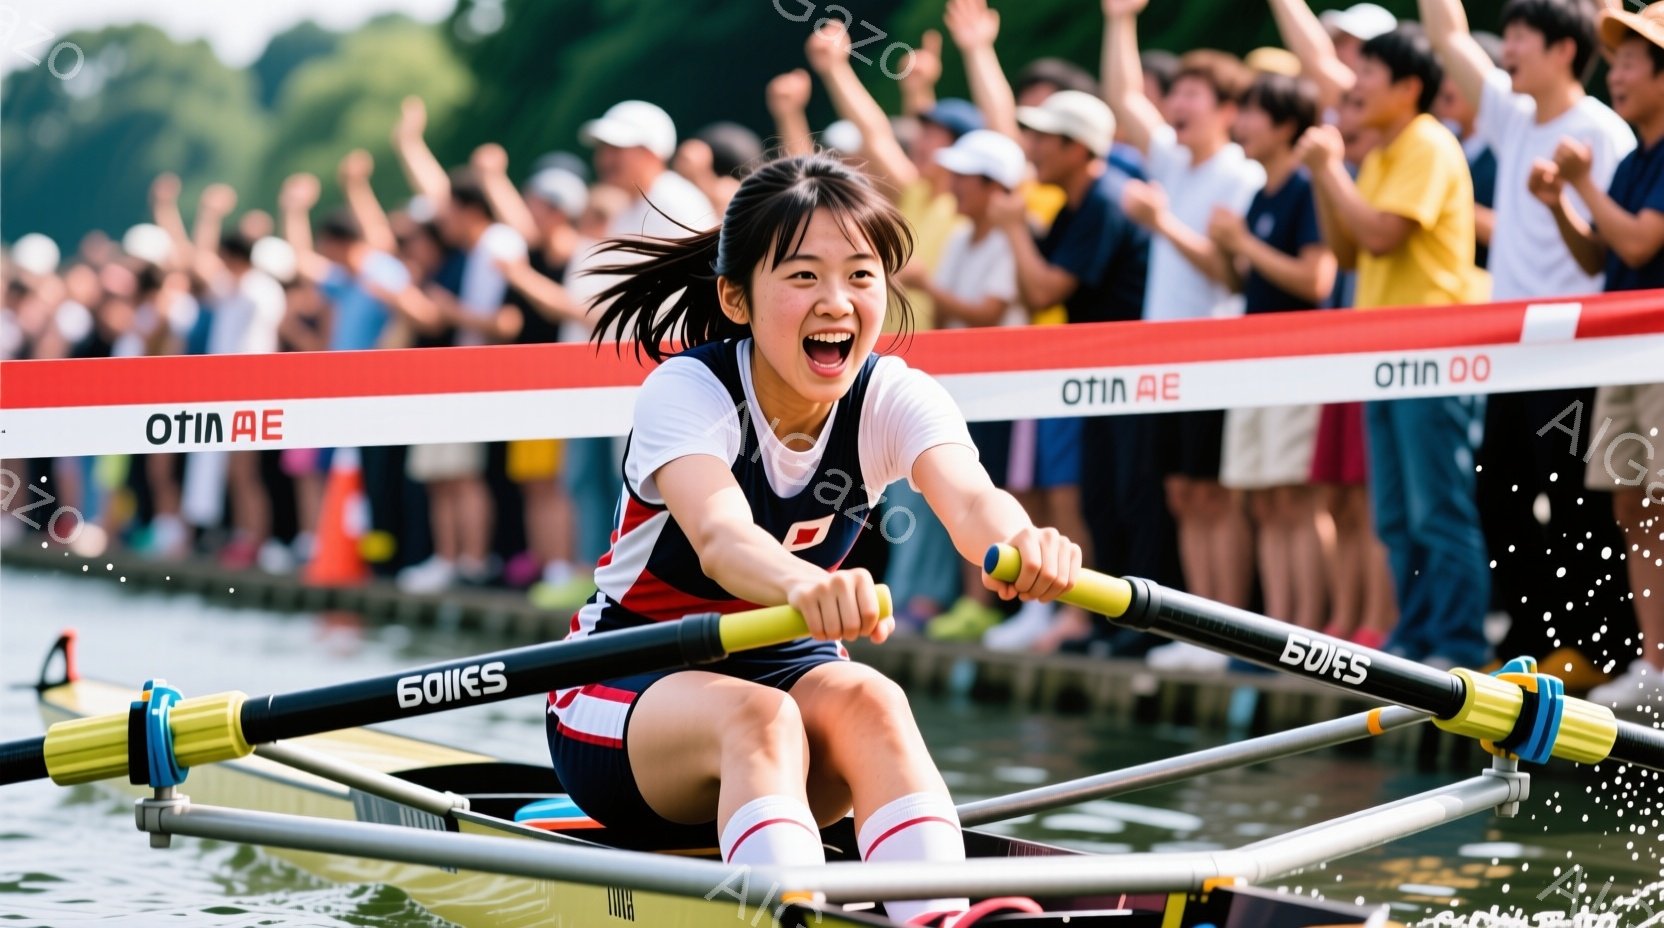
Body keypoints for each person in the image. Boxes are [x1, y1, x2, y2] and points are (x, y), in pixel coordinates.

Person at [553, 154, 1077, 927]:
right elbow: (723, 538)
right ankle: (793, 913)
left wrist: (1026, 544)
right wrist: (803, 583)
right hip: (623, 685)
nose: (838, 302)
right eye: (803, 276)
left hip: (791, 677)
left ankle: (936, 916)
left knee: (874, 697)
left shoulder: (895, 395)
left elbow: (973, 501)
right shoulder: (689, 391)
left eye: (862, 275)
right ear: (736, 298)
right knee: (759, 718)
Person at [1419, 0, 1638, 679]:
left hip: (1575, 352)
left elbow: (1608, 252)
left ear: (1564, 50)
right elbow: (1448, 34)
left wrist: (1564, 197)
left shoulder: (1601, 131)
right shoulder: (1513, 118)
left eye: (1520, 36)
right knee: (1499, 494)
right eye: (1506, 34)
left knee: (1577, 498)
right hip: (1508, 353)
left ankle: (1597, 646)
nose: (1506, 49)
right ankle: (1530, 639)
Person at [1299, 25, 1491, 669]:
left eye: (1370, 73)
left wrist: (1331, 170)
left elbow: (1380, 236)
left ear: (1409, 87)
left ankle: (1457, 643)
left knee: (1437, 506)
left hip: (1435, 350)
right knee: (1394, 515)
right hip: (1385, 357)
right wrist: (1330, 179)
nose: (1355, 84)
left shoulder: (1429, 143)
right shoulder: (1383, 151)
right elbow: (1349, 248)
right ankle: (1417, 639)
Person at [1104, 0, 1266, 670]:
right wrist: (1119, 22)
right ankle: (1199, 630)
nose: (1177, 104)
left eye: (1193, 93)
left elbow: (1229, 272)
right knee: (1180, 493)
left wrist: (1163, 223)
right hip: (1163, 355)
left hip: (1215, 353)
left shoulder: (1239, 171)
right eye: (1175, 92)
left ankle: (1226, 634)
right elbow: (1123, 103)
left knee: (1212, 493)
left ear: (1226, 107)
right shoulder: (1172, 161)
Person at [1529, 0, 1664, 709]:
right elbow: (1600, 254)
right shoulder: (1637, 158)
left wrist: (1578, 183)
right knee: (1633, 503)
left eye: (1635, 61)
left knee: (1661, 502)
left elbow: (1640, 242)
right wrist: (1561, 204)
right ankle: (1654, 662)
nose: (1618, 75)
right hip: (1625, 354)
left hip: (1660, 357)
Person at [998, 90, 1157, 654]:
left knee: (1131, 498)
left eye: (1044, 138)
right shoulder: (1075, 205)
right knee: (1102, 498)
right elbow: (1033, 291)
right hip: (1101, 373)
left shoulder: (1104, 203)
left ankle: (1137, 628)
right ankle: (1106, 624)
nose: (1032, 148)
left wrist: (1015, 231)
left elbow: (1042, 289)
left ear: (1076, 147)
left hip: (1133, 374)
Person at [1208, 73, 1336, 634]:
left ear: (1287, 125)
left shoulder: (1307, 188)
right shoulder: (1260, 193)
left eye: (1255, 112)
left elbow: (1316, 280)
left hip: (1298, 359)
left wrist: (1244, 245)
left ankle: (1307, 626)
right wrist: (1229, 250)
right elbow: (1245, 278)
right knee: (1262, 499)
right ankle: (1280, 627)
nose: (1242, 123)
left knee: (1295, 497)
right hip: (1253, 360)